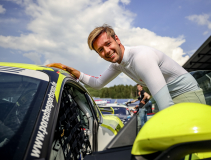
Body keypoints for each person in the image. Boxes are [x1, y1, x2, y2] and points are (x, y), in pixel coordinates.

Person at [46, 24, 206, 111]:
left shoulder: (140, 58)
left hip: (186, 95)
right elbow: (97, 83)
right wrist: (69, 69)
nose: (106, 51)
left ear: (117, 39)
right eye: (100, 50)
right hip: (168, 99)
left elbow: (166, 106)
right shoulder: (118, 64)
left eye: (108, 44)